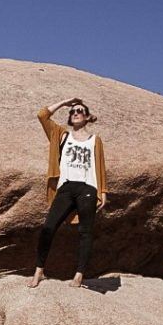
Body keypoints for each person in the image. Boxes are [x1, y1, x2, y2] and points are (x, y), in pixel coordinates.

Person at [28, 97, 108, 288]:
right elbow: (42, 115)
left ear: (87, 117)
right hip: (66, 187)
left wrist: (103, 191)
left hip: (87, 188)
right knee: (48, 227)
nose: (76, 113)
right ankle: (39, 271)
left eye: (80, 111)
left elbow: (100, 167)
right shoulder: (62, 136)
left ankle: (79, 275)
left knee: (85, 232)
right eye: (73, 112)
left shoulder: (95, 141)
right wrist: (65, 103)